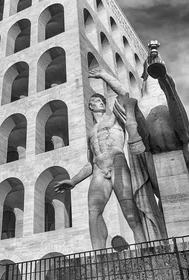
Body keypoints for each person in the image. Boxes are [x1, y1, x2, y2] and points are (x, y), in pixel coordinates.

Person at [54, 68, 148, 248]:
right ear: (91, 106)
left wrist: (103, 76)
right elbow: (90, 163)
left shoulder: (113, 118)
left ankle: (143, 246)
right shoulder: (90, 132)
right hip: (98, 169)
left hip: (117, 163)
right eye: (96, 101)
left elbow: (124, 94)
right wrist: (73, 181)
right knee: (93, 211)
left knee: (129, 208)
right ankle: (99, 253)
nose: (101, 103)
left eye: (102, 101)